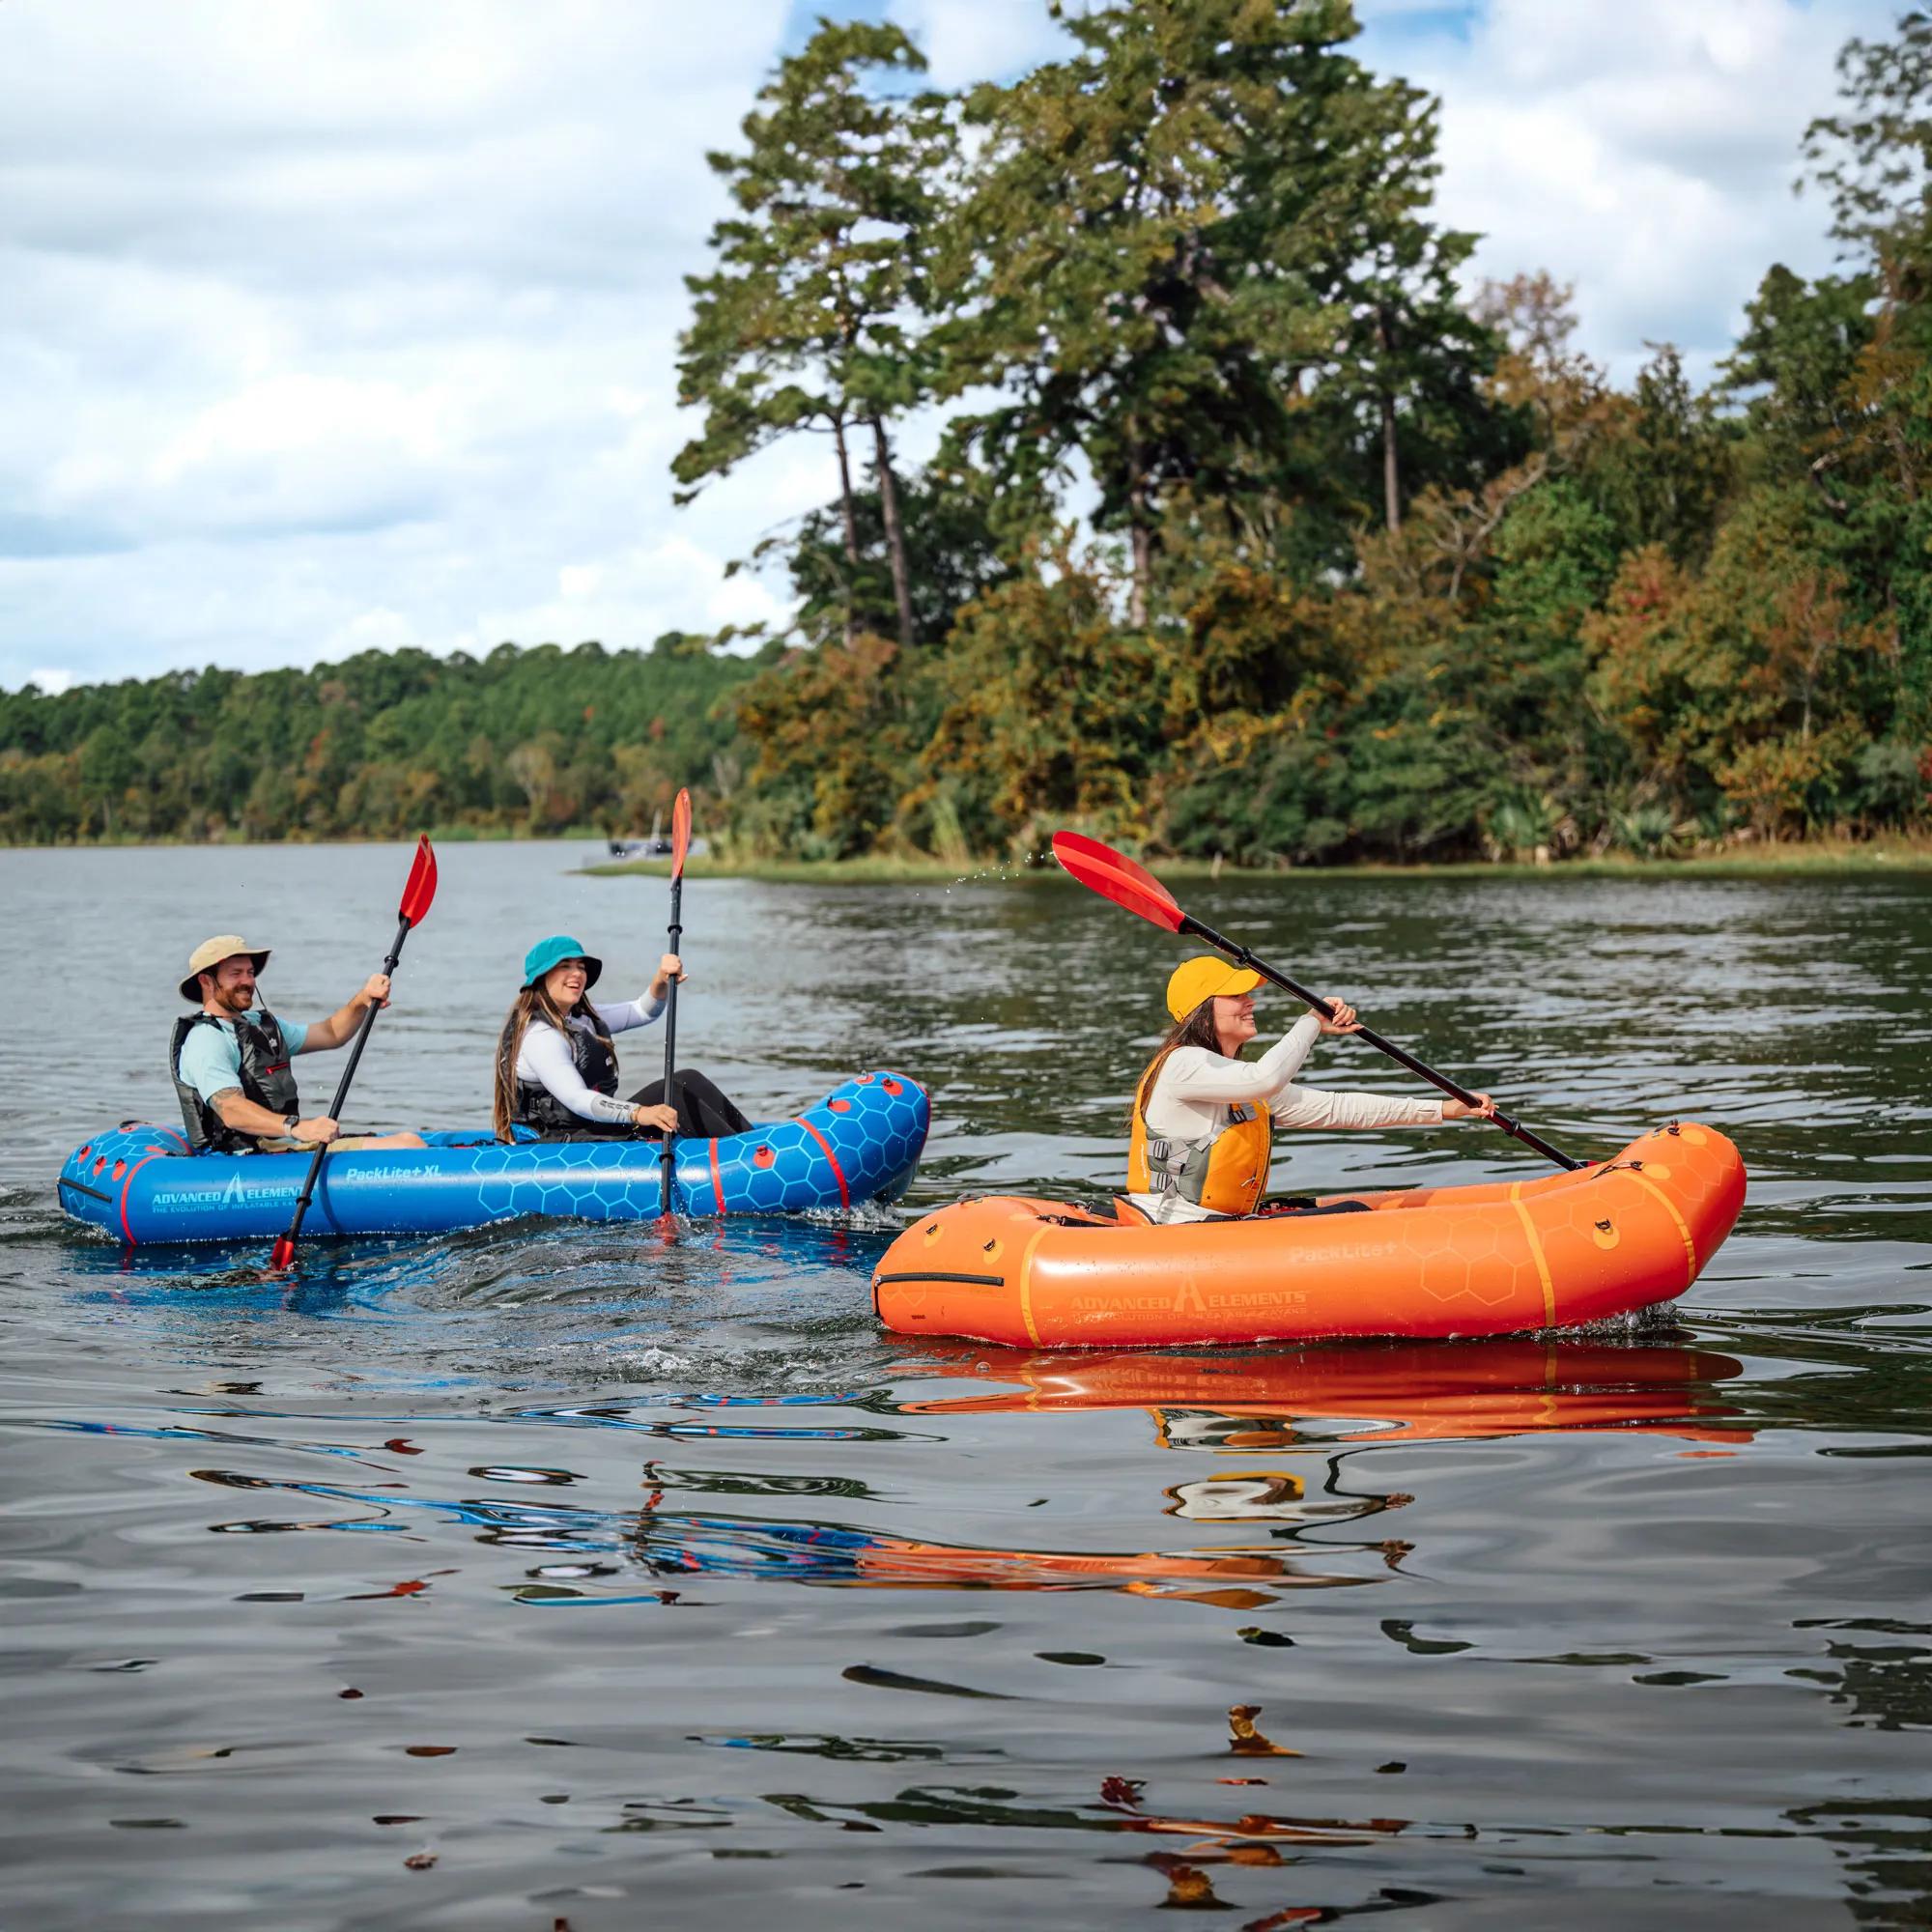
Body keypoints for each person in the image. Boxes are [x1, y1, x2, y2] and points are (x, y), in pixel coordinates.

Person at [1125, 955, 1496, 1225]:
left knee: (1343, 1209)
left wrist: (1444, 1110)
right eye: (1236, 995)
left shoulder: (1234, 1082)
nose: (1250, 1001)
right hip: (1177, 1229)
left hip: (1217, 1225)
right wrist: (1312, 1022)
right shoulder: (1182, 1064)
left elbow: (1338, 1109)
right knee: (1352, 1217)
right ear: (1203, 1010)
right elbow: (1266, 1077)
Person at [169, 935, 427, 1155]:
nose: (247, 981)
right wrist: (298, 1127)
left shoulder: (261, 1025)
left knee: (412, 1141)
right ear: (206, 981)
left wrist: (362, 999)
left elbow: (331, 1033)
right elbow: (231, 1110)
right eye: (235, 974)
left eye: (250, 972)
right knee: (409, 1145)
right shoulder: (207, 1039)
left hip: (281, 1147)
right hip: (242, 1159)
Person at [493, 934, 753, 1143]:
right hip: (558, 1139)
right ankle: (744, 1159)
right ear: (541, 978)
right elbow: (576, 1099)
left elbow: (642, 1011)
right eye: (565, 966)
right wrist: (641, 1113)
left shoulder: (581, 1019)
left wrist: (661, 980)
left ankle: (751, 1143)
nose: (577, 974)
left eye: (580, 967)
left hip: (586, 1124)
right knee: (672, 1094)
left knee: (688, 1078)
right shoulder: (541, 1036)